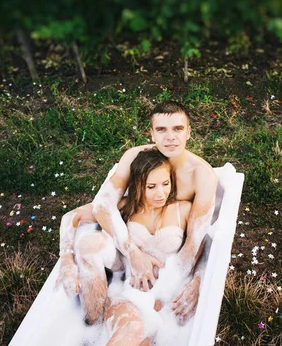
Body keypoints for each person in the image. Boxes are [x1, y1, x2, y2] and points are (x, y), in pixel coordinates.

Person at [56, 100, 217, 325]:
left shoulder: (201, 175)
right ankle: (92, 323)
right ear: (151, 133)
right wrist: (132, 253)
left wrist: (194, 282)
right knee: (89, 244)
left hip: (168, 264)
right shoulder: (135, 158)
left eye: (178, 129)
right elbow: (102, 206)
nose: (170, 137)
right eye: (161, 129)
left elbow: (198, 240)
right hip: (130, 250)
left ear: (189, 132)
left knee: (141, 321)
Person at [72, 148, 192, 345]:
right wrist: (67, 258)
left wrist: (194, 283)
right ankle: (93, 325)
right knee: (131, 330)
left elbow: (199, 253)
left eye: (165, 183)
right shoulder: (126, 207)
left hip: (169, 298)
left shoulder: (183, 209)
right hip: (132, 294)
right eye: (151, 186)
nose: (160, 193)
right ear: (137, 186)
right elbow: (77, 215)